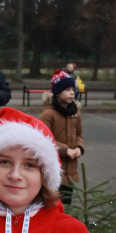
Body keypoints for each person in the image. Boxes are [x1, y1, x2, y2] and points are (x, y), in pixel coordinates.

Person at [39, 70, 84, 206]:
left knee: (67, 205)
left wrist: (78, 147)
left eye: (73, 89)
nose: (72, 93)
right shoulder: (48, 114)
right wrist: (66, 150)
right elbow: (43, 140)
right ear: (57, 92)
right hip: (53, 171)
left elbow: (79, 135)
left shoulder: (75, 113)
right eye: (67, 89)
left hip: (70, 171)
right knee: (53, 205)